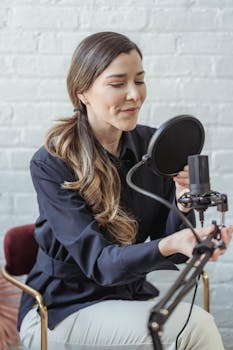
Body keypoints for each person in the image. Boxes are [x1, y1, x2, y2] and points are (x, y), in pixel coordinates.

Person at [18, 32, 232, 350]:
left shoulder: (153, 146)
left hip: (126, 296)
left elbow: (168, 246)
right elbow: (101, 262)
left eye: (140, 80)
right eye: (118, 83)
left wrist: (182, 204)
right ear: (83, 92)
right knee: (195, 329)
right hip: (60, 309)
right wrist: (172, 241)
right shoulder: (52, 163)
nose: (134, 94)